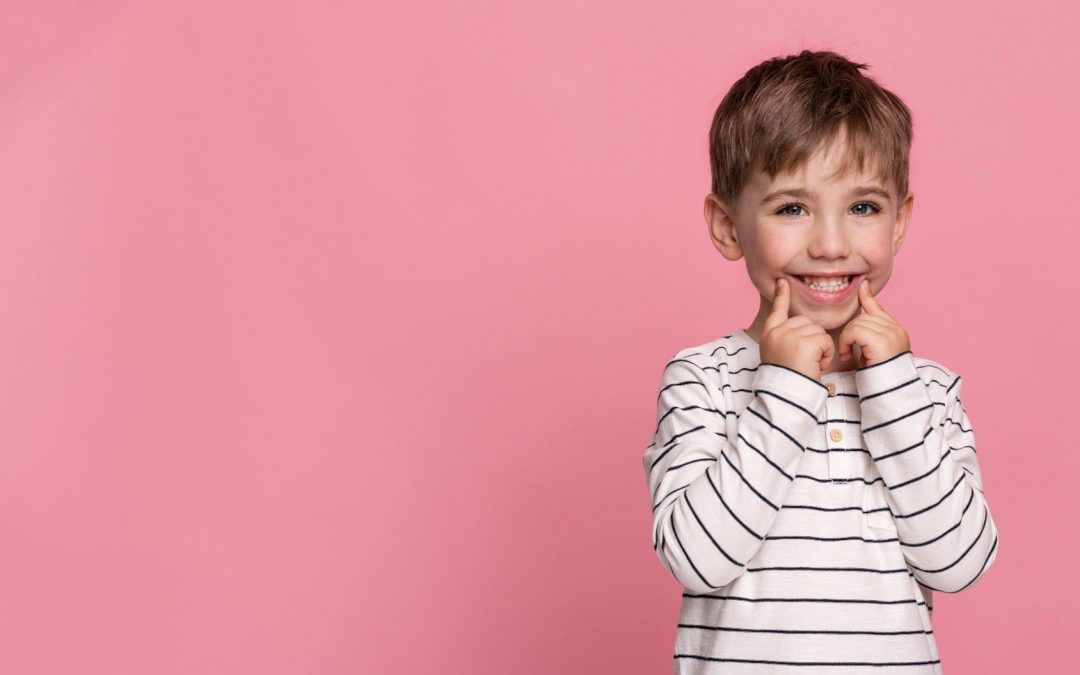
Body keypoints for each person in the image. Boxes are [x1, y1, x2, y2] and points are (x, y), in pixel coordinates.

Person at [642, 50, 999, 674]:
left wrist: (891, 386)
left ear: (899, 222)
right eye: (791, 208)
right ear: (728, 227)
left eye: (863, 207)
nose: (831, 244)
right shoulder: (704, 381)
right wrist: (782, 388)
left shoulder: (927, 390)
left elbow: (959, 562)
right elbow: (698, 559)